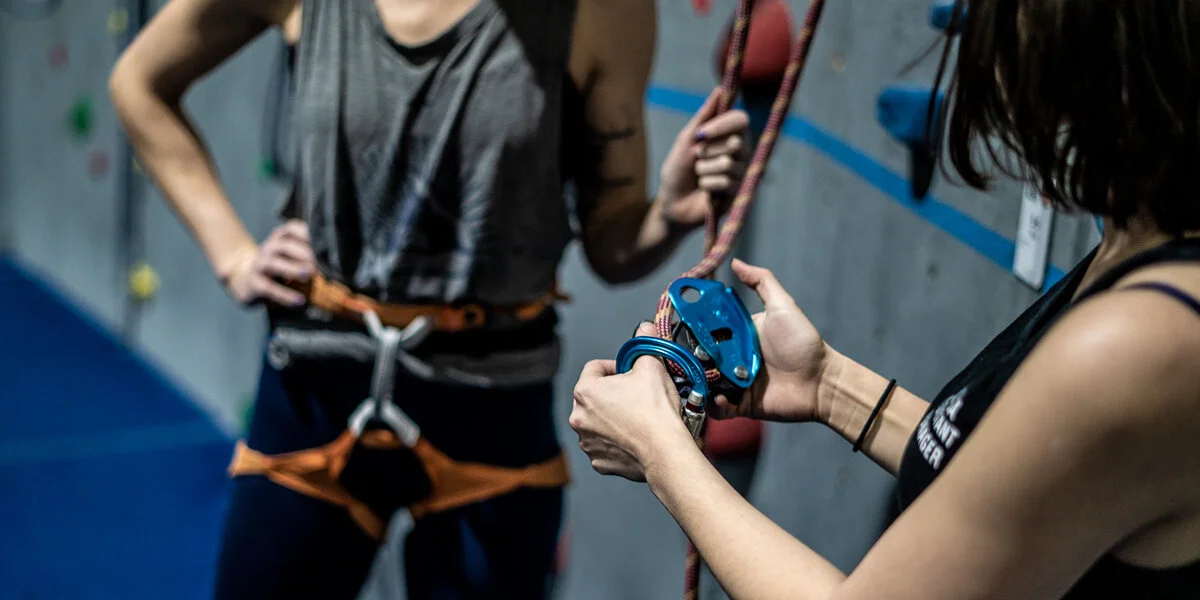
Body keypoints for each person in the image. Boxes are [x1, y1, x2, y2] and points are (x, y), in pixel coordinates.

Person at [108, 0, 752, 598]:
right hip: (318, 382)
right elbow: (139, 83)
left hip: (492, 402)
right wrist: (234, 257)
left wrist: (667, 213)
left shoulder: (602, 10)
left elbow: (613, 245)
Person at [568, 1, 1200, 598]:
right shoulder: (1140, 253)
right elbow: (1004, 482)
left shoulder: (1140, 343)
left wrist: (661, 452)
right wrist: (828, 385)